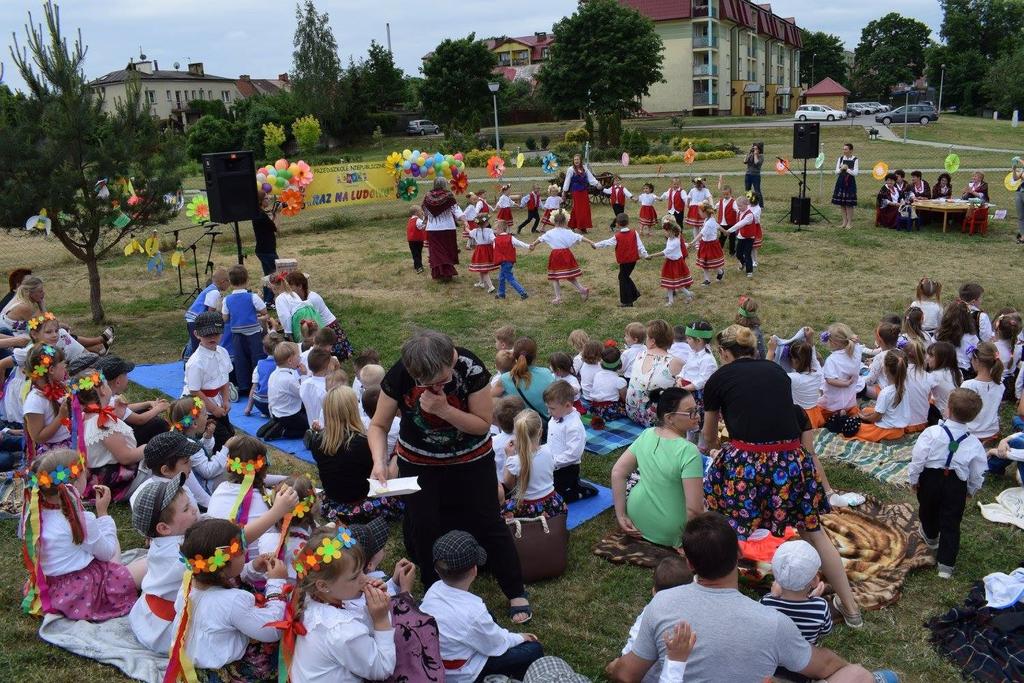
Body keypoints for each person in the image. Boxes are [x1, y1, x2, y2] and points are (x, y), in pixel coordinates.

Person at [606, 513, 893, 683]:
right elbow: (827, 666)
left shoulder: (662, 604)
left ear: (690, 564)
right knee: (857, 675)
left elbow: (626, 674)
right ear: (740, 556)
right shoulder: (772, 622)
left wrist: (613, 666)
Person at [702, 325, 862, 626]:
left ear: (724, 353)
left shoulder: (719, 378)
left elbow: (709, 437)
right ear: (753, 349)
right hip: (791, 462)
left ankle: (718, 607)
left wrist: (715, 449)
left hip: (746, 467)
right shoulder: (777, 372)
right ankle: (852, 610)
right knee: (814, 532)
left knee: (726, 526)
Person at [369, 331, 530, 621]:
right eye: (426, 384)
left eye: (441, 381)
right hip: (418, 462)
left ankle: (515, 589)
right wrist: (379, 461)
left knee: (488, 520)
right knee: (424, 524)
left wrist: (444, 410)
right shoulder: (402, 372)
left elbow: (482, 425)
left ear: (450, 358)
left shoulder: (471, 368)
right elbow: (379, 425)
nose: (434, 387)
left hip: (471, 460)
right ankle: (435, 594)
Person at [20, 448, 142, 619]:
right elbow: (107, 553)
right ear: (76, 482)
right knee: (147, 564)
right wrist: (103, 514)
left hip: (51, 588)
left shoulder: (34, 515)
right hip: (83, 590)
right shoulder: (80, 520)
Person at [165, 518, 288, 682]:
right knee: (274, 648)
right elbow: (272, 629)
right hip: (221, 674)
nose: (245, 551)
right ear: (221, 566)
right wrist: (276, 584)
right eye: (240, 549)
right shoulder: (233, 601)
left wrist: (252, 568)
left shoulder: (191, 582)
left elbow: (229, 576)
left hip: (194, 665)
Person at [420, 530, 544, 682]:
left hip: (441, 660)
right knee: (533, 649)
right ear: (474, 570)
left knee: (488, 617)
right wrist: (520, 637)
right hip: (464, 674)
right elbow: (496, 645)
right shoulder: (474, 613)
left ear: (437, 570)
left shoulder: (434, 589)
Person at [288, 524, 398, 682]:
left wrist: (371, 606)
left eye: (362, 570)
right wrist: (381, 619)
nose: (365, 579)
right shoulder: (341, 631)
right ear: (324, 585)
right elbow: (382, 668)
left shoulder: (310, 595)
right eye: (354, 577)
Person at [909, 388, 986, 580]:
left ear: (948, 409)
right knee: (951, 522)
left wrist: (914, 478)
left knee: (928, 509)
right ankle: (946, 565)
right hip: (956, 485)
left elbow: (918, 458)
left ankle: (931, 537)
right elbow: (978, 470)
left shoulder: (932, 433)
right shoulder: (974, 443)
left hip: (931, 481)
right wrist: (972, 488)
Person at [611, 387, 703, 547]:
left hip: (636, 517)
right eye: (691, 412)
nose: (697, 415)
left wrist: (621, 515)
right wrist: (692, 543)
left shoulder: (647, 434)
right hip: (672, 530)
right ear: (669, 418)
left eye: (697, 409)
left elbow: (618, 472)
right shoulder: (689, 451)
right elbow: (694, 510)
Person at [307, 386, 403, 525]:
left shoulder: (317, 441)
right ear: (353, 410)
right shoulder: (363, 443)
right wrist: (396, 453)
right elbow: (383, 479)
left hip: (333, 505)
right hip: (363, 507)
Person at [128, 473, 199, 653]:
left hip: (149, 613)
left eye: (190, 503)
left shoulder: (162, 541)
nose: (193, 509)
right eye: (186, 509)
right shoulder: (182, 554)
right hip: (166, 627)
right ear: (164, 528)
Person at [73, 370, 145, 501]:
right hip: (118, 481)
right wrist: (147, 447)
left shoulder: (84, 418)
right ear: (102, 390)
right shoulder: (103, 421)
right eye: (106, 384)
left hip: (97, 480)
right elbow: (126, 457)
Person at [0, 275, 111, 350]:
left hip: (16, 334)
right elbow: (47, 323)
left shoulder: (23, 300)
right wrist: (42, 305)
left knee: (56, 333)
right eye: (40, 291)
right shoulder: (24, 307)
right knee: (58, 333)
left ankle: (96, 347)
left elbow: (44, 322)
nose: (43, 293)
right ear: (30, 292)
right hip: (11, 340)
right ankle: (98, 343)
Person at [501, 408, 568, 519]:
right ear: (540, 432)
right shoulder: (549, 450)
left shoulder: (515, 461)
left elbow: (508, 483)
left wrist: (509, 456)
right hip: (552, 502)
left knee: (501, 515)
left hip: (526, 508)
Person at [185, 311, 235, 451]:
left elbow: (224, 378)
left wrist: (226, 400)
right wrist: (213, 409)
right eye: (207, 334)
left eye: (216, 333)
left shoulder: (223, 352)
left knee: (230, 432)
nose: (212, 337)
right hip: (201, 406)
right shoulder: (196, 362)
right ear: (197, 334)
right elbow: (194, 391)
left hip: (217, 401)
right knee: (223, 440)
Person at [167, 397, 228, 503]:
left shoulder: (185, 438)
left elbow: (202, 454)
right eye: (204, 414)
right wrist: (226, 449)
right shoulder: (188, 445)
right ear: (194, 424)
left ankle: (263, 479)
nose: (207, 416)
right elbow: (208, 472)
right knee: (234, 474)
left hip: (206, 482)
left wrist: (207, 438)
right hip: (206, 487)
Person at [529, 210, 595, 304]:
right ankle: (582, 289)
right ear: (565, 222)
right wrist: (591, 242)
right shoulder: (568, 232)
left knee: (555, 277)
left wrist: (533, 244)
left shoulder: (550, 232)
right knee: (569, 275)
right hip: (566, 254)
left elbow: (540, 239)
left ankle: (558, 297)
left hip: (556, 256)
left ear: (554, 222)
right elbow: (580, 237)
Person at [625, 320, 684, 427]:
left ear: (652, 341)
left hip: (631, 411)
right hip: (655, 419)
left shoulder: (640, 354)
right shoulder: (675, 362)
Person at [221, 264, 268, 396]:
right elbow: (263, 310)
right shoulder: (252, 297)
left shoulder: (227, 299)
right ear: (247, 280)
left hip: (236, 333)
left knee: (240, 359)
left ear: (230, 282)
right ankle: (258, 384)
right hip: (253, 333)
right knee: (257, 357)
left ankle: (243, 386)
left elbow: (225, 318)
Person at [285, 271, 353, 361]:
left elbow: (315, 318)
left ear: (300, 286)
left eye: (291, 288)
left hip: (329, 328)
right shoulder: (302, 299)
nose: (289, 292)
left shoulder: (312, 299)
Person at [544, 379, 594, 501]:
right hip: (553, 463)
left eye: (552, 408)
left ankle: (580, 492)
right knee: (544, 490)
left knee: (556, 498)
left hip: (566, 468)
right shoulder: (559, 414)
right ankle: (573, 485)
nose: (548, 412)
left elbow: (574, 454)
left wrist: (554, 462)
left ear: (567, 405)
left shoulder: (574, 427)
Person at [849, 350, 911, 443]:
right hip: (899, 428)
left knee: (852, 427)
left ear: (885, 369)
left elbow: (876, 417)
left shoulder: (885, 392)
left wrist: (864, 418)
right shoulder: (905, 387)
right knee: (866, 410)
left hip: (886, 431)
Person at [22, 343, 71, 456]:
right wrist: (61, 417)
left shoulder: (60, 387)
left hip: (69, 442)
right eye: (63, 364)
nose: (65, 367)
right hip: (52, 454)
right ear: (52, 370)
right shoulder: (34, 400)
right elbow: (38, 437)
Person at [492, 337, 556, 422]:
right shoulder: (547, 373)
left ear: (514, 356)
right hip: (545, 425)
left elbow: (488, 396)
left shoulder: (505, 379)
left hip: (519, 429)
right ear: (535, 356)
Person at [594, 212, 650, 308]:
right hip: (633, 261)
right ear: (628, 222)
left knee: (623, 278)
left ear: (617, 224)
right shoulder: (634, 233)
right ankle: (634, 294)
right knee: (624, 277)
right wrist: (645, 254)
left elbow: (607, 243)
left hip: (625, 262)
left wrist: (595, 245)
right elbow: (640, 245)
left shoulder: (618, 236)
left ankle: (627, 302)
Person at [420, 178, 470, 281]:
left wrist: (425, 222)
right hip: (447, 228)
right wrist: (465, 221)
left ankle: (439, 274)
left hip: (432, 228)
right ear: (444, 185)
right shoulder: (448, 195)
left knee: (436, 251)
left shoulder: (427, 196)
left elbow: (424, 210)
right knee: (447, 250)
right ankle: (447, 273)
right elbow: (456, 210)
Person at [260, 341, 309, 440]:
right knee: (308, 426)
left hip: (276, 412)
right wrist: (305, 375)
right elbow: (304, 394)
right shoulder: (288, 379)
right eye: (298, 357)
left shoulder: (275, 373)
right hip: (289, 415)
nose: (300, 359)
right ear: (290, 361)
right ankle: (283, 431)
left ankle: (275, 423)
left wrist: (298, 375)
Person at [961, 341, 1003, 443]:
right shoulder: (1001, 385)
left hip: (972, 434)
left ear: (977, 361)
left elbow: (961, 413)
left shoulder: (968, 385)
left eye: (972, 358)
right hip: (993, 432)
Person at [650, 216, 694, 306]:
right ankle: (671, 301)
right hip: (670, 262)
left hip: (676, 264)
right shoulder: (672, 238)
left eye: (666, 231)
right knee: (669, 282)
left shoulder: (674, 242)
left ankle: (689, 294)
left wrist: (651, 256)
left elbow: (664, 252)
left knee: (678, 283)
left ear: (672, 232)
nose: (664, 233)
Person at [251, 191, 280, 306]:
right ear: (260, 201)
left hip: (263, 249)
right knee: (276, 275)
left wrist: (273, 215)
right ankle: (271, 299)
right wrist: (278, 213)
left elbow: (269, 226)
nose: (268, 200)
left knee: (268, 275)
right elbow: (276, 228)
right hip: (267, 251)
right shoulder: (261, 215)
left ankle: (268, 300)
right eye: (266, 199)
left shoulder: (258, 213)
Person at [562, 154, 601, 233]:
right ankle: (580, 227)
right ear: (573, 161)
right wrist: (564, 191)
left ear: (580, 160)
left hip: (584, 191)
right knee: (578, 208)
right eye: (575, 159)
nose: (576, 161)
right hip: (576, 191)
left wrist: (597, 184)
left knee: (585, 209)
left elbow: (590, 178)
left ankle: (578, 225)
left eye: (578, 159)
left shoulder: (584, 168)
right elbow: (567, 181)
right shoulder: (571, 169)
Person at [493, 220, 531, 300]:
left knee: (510, 278)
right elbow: (520, 243)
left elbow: (494, 248)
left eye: (496, 229)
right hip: (509, 261)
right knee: (501, 277)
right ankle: (501, 294)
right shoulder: (511, 238)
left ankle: (523, 293)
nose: (495, 231)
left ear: (500, 229)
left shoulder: (496, 240)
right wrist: (528, 246)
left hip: (503, 262)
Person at [926, 341, 962, 424]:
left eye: (931, 356)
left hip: (941, 416)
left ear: (942, 359)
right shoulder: (957, 372)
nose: (927, 358)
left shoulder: (935, 376)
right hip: (954, 413)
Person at [694, 202, 726, 285]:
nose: (698, 213)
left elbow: (701, 234)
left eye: (700, 211)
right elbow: (718, 226)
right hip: (704, 244)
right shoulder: (707, 220)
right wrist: (724, 231)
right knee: (705, 263)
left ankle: (720, 272)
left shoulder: (709, 222)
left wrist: (692, 242)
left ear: (705, 212)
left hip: (711, 245)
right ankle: (707, 280)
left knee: (713, 263)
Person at [727, 195, 757, 278]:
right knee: (738, 254)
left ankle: (749, 271)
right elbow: (734, 205)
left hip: (749, 237)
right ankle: (743, 263)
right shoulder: (739, 211)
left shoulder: (749, 215)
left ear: (746, 204)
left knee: (747, 253)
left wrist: (729, 230)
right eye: (738, 206)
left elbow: (740, 224)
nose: (738, 207)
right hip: (741, 236)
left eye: (740, 206)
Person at [832, 143, 859, 229]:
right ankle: (844, 222)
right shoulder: (840, 159)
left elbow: (855, 173)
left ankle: (849, 223)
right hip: (841, 181)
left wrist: (847, 169)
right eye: (843, 149)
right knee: (842, 204)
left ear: (851, 150)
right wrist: (841, 169)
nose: (844, 151)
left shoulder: (855, 159)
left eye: (846, 149)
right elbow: (836, 172)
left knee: (849, 204)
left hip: (850, 182)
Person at [468, 219, 498, 294]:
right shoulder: (489, 230)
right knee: (482, 268)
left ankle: (490, 286)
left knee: (483, 268)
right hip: (487, 250)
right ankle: (482, 282)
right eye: (487, 221)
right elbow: (493, 239)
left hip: (480, 251)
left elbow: (469, 232)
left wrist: (466, 227)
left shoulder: (475, 231)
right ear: (485, 223)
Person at [715, 183, 739, 255]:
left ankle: (732, 252)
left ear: (730, 193)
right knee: (722, 237)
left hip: (731, 223)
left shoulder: (733, 202)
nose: (725, 196)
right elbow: (716, 206)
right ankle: (718, 250)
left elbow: (737, 210)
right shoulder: (721, 201)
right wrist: (713, 209)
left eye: (727, 194)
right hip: (722, 223)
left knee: (732, 238)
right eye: (724, 194)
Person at [406, 203, 426, 274]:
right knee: (418, 253)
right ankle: (419, 267)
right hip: (418, 240)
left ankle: (416, 265)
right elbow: (423, 225)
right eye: (421, 211)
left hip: (411, 240)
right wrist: (424, 217)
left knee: (415, 253)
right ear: (417, 212)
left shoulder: (410, 220)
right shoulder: (418, 220)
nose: (421, 212)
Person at [1013, 157, 1024, 244]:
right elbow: (1015, 178)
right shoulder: (1022, 169)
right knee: (1020, 216)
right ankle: (1023, 236)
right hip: (1019, 192)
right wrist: (1014, 170)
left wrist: (1020, 160)